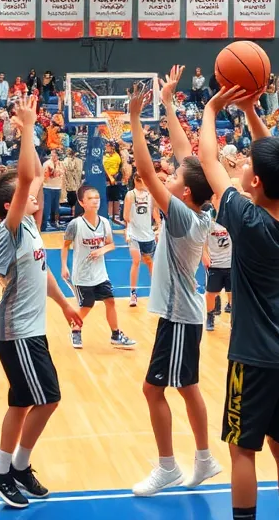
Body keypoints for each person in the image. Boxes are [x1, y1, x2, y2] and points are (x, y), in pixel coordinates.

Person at [0, 94, 83, 510]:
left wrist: (63, 305)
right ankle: (2, 470)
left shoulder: (28, 227)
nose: (37, 194)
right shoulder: (7, 230)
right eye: (29, 193)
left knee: (25, 399)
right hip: (15, 332)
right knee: (46, 398)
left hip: (32, 330)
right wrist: (27, 128)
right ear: (10, 204)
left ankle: (16, 468)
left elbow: (41, 273)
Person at [198, 82, 279, 520]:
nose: (242, 165)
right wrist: (249, 110)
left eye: (247, 165)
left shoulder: (245, 219)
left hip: (255, 357)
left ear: (256, 181)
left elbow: (208, 159)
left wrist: (212, 108)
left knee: (242, 450)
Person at [127, 69, 222, 496]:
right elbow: (188, 158)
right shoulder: (196, 206)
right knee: (185, 387)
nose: (170, 176)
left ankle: (169, 466)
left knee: (154, 390)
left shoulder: (183, 216)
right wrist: (166, 102)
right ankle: (203, 459)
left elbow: (148, 174)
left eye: (176, 180)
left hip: (180, 316)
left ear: (183, 195)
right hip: (182, 314)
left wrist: (134, 118)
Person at [60, 185, 135, 350]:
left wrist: (102, 249)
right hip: (82, 274)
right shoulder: (75, 224)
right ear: (81, 202)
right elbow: (65, 245)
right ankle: (75, 329)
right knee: (87, 305)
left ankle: (116, 335)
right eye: (90, 199)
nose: (95, 201)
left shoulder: (105, 223)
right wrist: (64, 266)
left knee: (110, 301)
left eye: (97, 198)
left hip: (100, 274)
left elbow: (111, 245)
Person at [123, 172, 157, 308]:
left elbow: (154, 211)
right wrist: (132, 225)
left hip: (148, 234)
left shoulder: (150, 195)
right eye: (141, 181)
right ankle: (133, 292)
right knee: (136, 261)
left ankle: (156, 291)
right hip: (134, 234)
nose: (143, 183)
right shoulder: (130, 195)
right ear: (136, 181)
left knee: (149, 261)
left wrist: (158, 224)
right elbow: (125, 215)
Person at [202, 205, 232, 333]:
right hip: (215, 264)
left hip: (231, 263)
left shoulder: (232, 218)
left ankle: (234, 320)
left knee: (233, 294)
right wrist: (204, 254)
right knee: (211, 294)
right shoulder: (208, 220)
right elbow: (202, 240)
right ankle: (210, 316)